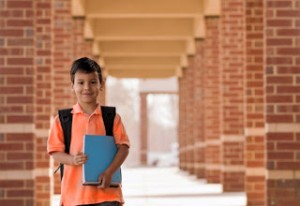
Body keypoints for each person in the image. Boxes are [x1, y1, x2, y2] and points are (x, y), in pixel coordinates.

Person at [47, 57, 130, 206]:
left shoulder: (111, 118)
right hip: (75, 197)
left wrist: (110, 172)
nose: (87, 87)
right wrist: (72, 160)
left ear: (101, 85)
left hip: (108, 195)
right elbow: (55, 151)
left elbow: (123, 147)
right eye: (81, 82)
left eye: (92, 82)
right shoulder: (63, 120)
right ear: (72, 85)